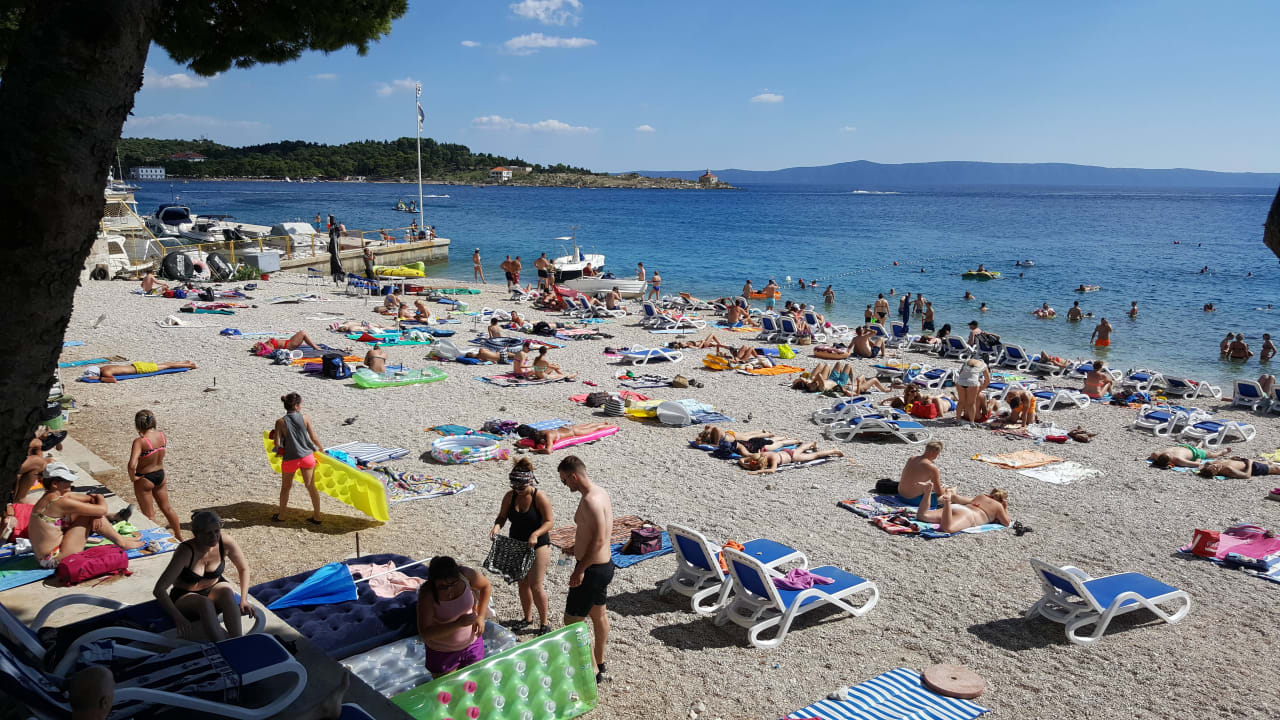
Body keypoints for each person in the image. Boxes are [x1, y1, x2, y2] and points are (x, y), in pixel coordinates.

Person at [153, 510, 251, 641]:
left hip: (214, 588)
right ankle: (222, 644)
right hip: (185, 595)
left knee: (227, 591)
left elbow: (243, 568)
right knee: (204, 603)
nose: (214, 537)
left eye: (216, 531)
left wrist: (244, 599)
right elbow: (159, 589)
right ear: (196, 534)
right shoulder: (185, 551)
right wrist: (179, 618)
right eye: (208, 533)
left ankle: (237, 640)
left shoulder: (225, 542)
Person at [558, 455, 613, 684]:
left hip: (591, 570)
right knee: (598, 615)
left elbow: (599, 540)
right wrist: (576, 547)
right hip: (603, 566)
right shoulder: (601, 492)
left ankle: (590, 672)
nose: (565, 485)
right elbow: (594, 535)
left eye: (564, 481)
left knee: (571, 621)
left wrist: (579, 569)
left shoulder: (590, 500)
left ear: (573, 476)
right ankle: (600, 661)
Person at [29, 462, 143, 569]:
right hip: (53, 559)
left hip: (48, 555)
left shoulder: (52, 496)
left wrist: (96, 511)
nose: (71, 485)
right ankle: (121, 542)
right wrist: (100, 500)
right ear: (55, 484)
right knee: (91, 514)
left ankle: (120, 539)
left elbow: (90, 499)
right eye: (68, 482)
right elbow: (102, 509)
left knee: (91, 513)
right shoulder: (59, 502)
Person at [492, 459, 554, 634]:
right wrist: (496, 527)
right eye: (515, 487)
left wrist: (536, 534)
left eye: (521, 487)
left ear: (529, 482)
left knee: (536, 584)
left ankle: (544, 622)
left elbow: (550, 522)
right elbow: (502, 517)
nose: (518, 491)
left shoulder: (539, 497)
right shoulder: (510, 496)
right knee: (522, 583)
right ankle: (527, 618)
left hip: (539, 544)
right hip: (517, 542)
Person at [417, 556, 492, 675]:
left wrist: (481, 617)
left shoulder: (465, 575)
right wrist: (458, 623)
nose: (449, 590)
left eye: (453, 583)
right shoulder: (428, 594)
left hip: (472, 643)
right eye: (442, 587)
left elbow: (486, 586)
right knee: (447, 688)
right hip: (443, 652)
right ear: (433, 582)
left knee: (473, 680)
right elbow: (426, 633)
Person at [127, 410, 183, 541]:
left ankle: (156, 541)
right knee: (167, 508)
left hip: (144, 477)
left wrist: (132, 478)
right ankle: (179, 535)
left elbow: (131, 465)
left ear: (138, 424)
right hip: (160, 474)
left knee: (149, 515)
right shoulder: (162, 436)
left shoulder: (140, 441)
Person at [271, 393, 324, 525]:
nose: (301, 406)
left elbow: (277, 444)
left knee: (286, 488)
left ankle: (282, 516)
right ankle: (317, 516)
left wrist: (279, 439)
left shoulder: (280, 422)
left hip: (290, 458)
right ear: (296, 406)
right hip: (307, 457)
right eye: (300, 404)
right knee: (311, 486)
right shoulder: (305, 418)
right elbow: (313, 438)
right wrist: (321, 449)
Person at [916, 488, 1011, 533]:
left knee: (923, 516)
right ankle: (948, 502)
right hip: (968, 515)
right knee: (947, 528)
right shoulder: (999, 506)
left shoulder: (981, 496)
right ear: (1002, 500)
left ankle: (927, 492)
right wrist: (1005, 508)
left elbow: (962, 499)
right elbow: (1006, 523)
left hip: (958, 507)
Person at [737, 441, 844, 474]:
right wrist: (745, 466)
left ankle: (834, 451)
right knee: (800, 449)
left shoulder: (772, 458)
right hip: (786, 452)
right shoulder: (759, 456)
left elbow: (773, 470)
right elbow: (741, 460)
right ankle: (811, 443)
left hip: (792, 457)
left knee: (813, 455)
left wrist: (756, 472)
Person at [517, 422, 614, 454]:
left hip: (573, 432)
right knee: (589, 425)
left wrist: (533, 450)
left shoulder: (548, 436)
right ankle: (604, 423)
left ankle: (612, 426)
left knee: (594, 428)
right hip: (566, 427)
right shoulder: (540, 432)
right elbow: (519, 442)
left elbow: (549, 451)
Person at [83, 360, 197, 383]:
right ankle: (185, 362)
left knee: (166, 366)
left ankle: (190, 365)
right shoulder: (104, 368)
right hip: (136, 365)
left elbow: (113, 380)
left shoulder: (105, 373)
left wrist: (99, 379)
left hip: (139, 369)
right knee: (165, 364)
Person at [955, 357, 991, 424]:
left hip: (960, 381)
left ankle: (958, 420)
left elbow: (960, 374)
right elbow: (987, 380)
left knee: (961, 402)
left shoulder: (967, 361)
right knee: (971, 403)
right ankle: (972, 422)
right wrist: (980, 389)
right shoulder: (984, 365)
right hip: (972, 382)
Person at [1148, 445, 1230, 469]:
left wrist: (1199, 458)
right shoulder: (1156, 454)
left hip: (1193, 451)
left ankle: (1221, 452)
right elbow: (1197, 464)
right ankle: (1222, 452)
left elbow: (1196, 464)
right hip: (1185, 448)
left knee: (1213, 455)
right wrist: (1199, 458)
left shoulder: (1177, 459)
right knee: (1212, 455)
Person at [1199, 457, 1280, 478]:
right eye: (1216, 469)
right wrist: (1250, 463)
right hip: (1253, 467)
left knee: (1269, 462)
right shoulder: (1228, 470)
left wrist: (1231, 459)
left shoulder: (1210, 463)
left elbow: (1200, 465)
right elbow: (1246, 475)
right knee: (1276, 469)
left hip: (1244, 461)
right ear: (1216, 474)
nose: (1216, 466)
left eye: (1214, 466)